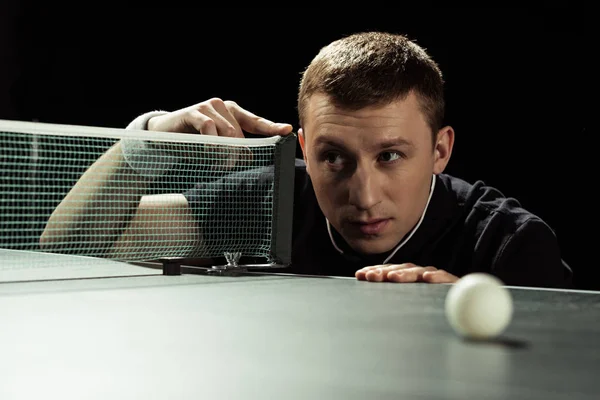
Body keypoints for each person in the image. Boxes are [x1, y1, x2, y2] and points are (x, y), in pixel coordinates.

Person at [40, 31, 573, 288]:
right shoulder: (272, 201)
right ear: (302, 148)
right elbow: (66, 250)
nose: (363, 197)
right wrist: (148, 144)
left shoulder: (508, 243)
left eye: (390, 155)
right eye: (334, 159)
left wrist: (490, 308)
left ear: (440, 150)